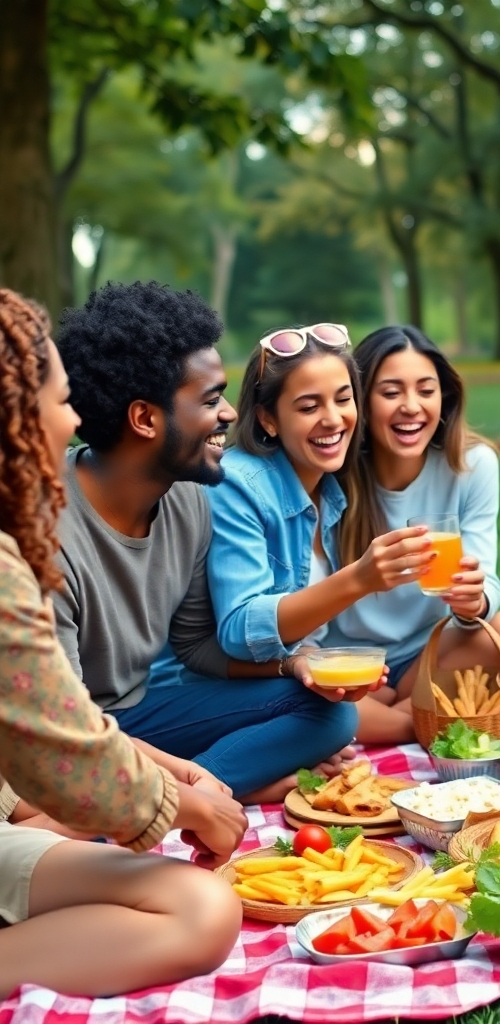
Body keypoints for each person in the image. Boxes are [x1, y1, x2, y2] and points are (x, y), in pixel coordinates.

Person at [0, 289, 246, 998]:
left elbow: (62, 732)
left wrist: (187, 782)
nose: (75, 418)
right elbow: (65, 749)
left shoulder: (185, 506)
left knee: (201, 907)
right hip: (45, 792)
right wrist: (192, 805)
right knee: (197, 909)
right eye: (58, 400)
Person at [50, 282, 357, 805]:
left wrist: (289, 666)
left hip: (140, 715)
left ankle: (193, 791)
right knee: (76, 807)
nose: (231, 414)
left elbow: (196, 647)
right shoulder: (42, 535)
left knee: (329, 712)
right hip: (61, 740)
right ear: (145, 419)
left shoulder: (189, 499)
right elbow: (62, 732)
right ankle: (199, 796)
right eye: (211, 400)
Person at [207, 324, 500, 747]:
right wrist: (360, 579)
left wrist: (474, 598)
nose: (333, 418)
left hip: (418, 656)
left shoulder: (328, 477)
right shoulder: (321, 472)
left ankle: (402, 720)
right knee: (330, 711)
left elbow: (483, 584)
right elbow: (246, 631)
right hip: (338, 664)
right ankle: (425, 723)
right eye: (390, 392)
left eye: (342, 399)